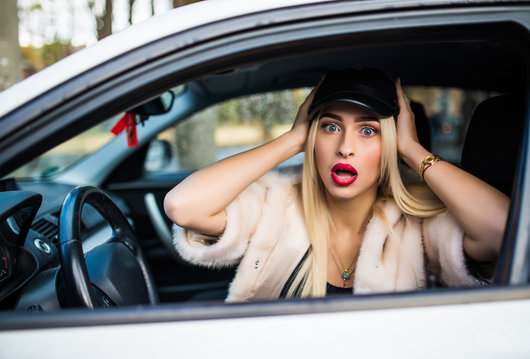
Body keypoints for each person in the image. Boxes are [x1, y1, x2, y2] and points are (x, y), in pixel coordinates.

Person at [164, 68, 509, 302]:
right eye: (330, 127)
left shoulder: (415, 224)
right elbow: (184, 205)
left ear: (389, 143)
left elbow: (501, 229)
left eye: (368, 130)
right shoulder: (276, 204)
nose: (345, 146)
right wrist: (291, 140)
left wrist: (412, 150)